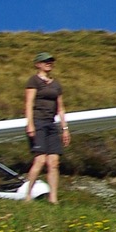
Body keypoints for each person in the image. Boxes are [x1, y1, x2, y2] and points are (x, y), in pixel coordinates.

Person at [21, 52, 67, 203]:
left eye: (51, 61)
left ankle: (53, 198)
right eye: (45, 61)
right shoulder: (33, 81)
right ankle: (28, 195)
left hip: (51, 124)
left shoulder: (56, 84)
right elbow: (29, 103)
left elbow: (60, 108)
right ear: (38, 64)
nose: (49, 63)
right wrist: (30, 124)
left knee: (54, 162)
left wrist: (65, 128)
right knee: (40, 160)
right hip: (38, 122)